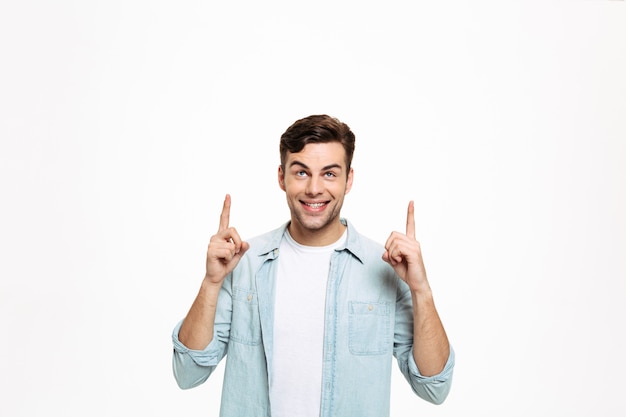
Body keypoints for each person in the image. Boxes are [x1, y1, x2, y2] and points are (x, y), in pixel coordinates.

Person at [171, 114, 455, 416]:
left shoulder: (386, 266)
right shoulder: (244, 263)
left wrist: (420, 290)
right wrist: (211, 282)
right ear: (282, 177)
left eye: (330, 174)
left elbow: (434, 386)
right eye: (302, 172)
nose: (314, 189)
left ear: (349, 179)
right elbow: (188, 373)